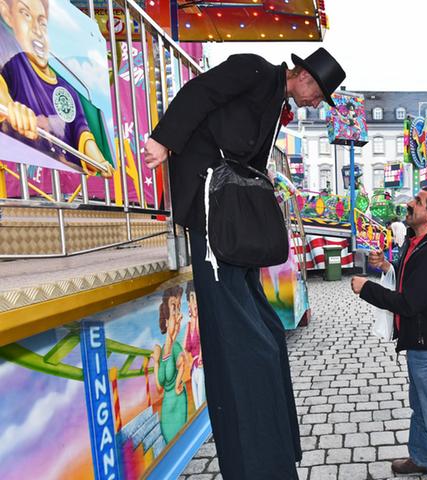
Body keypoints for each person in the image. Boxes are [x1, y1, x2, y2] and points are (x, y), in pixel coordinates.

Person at [143, 48, 346, 478]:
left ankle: (270, 446)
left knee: (266, 331)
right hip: (209, 208)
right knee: (240, 337)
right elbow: (200, 92)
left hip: (230, 217)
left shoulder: (275, 102)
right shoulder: (253, 69)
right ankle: (256, 454)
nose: (314, 103)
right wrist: (164, 139)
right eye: (318, 94)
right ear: (305, 76)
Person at [352, 187, 427, 478]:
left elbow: (411, 303)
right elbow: (411, 281)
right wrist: (388, 266)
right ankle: (421, 457)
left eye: (418, 202)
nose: (411, 204)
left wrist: (367, 288)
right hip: (421, 344)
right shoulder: (417, 241)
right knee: (421, 408)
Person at [0, 0, 110, 171]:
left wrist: (99, 160)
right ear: (7, 15)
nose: (36, 29)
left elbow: (80, 128)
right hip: (24, 173)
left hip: (65, 176)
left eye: (42, 22)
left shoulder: (68, 87)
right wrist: (10, 108)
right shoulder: (13, 60)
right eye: (26, 14)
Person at [151, 286, 189, 443]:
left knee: (178, 438)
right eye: (174, 308)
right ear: (166, 321)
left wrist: (179, 381)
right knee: (168, 438)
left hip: (178, 401)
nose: (178, 314)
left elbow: (182, 364)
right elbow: (159, 387)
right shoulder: (161, 350)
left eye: (179, 308)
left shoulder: (177, 348)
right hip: (167, 405)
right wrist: (155, 362)